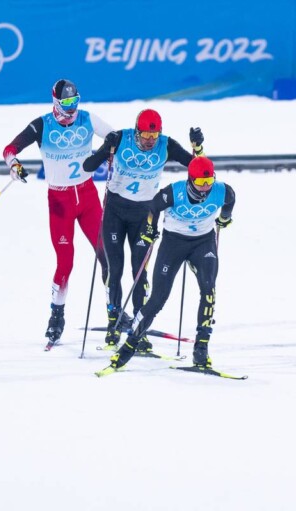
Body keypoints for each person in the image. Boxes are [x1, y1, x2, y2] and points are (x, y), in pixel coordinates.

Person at [2, 79, 113, 346]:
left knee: (107, 255)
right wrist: (14, 165)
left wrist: (107, 153)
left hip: (87, 197)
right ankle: (56, 316)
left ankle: (115, 311)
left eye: (75, 102)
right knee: (65, 263)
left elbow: (115, 136)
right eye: (66, 104)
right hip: (60, 201)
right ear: (55, 102)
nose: (72, 109)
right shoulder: (42, 125)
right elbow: (9, 149)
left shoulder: (87, 118)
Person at [82, 109, 205, 349]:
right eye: (146, 135)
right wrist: (107, 147)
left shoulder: (166, 145)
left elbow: (197, 168)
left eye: (154, 135)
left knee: (140, 272)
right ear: (137, 131)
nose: (150, 140)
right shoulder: (120, 139)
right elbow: (88, 166)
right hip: (115, 213)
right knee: (114, 269)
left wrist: (198, 148)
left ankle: (139, 328)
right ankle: (113, 322)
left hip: (145, 216)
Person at [103, 156, 235, 371]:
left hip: (203, 243)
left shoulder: (223, 191)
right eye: (200, 183)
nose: (205, 189)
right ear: (190, 179)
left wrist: (225, 218)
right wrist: (150, 229)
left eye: (208, 182)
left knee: (209, 290)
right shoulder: (174, 192)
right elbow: (153, 206)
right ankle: (128, 347)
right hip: (173, 243)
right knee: (157, 299)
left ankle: (201, 350)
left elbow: (230, 200)